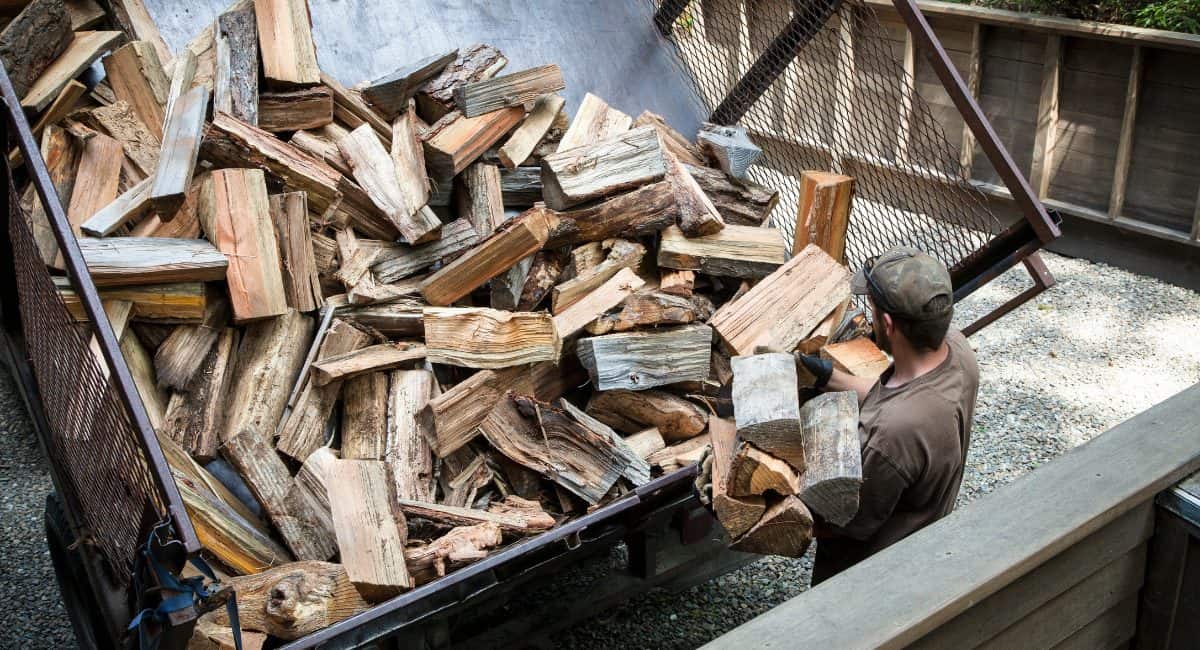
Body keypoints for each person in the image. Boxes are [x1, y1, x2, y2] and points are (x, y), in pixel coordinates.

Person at [798, 245, 979, 584]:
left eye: (871, 308)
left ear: (887, 323)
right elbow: (894, 394)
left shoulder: (891, 436)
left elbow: (839, 524)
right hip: (925, 536)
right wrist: (826, 376)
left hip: (871, 578)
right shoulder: (958, 352)